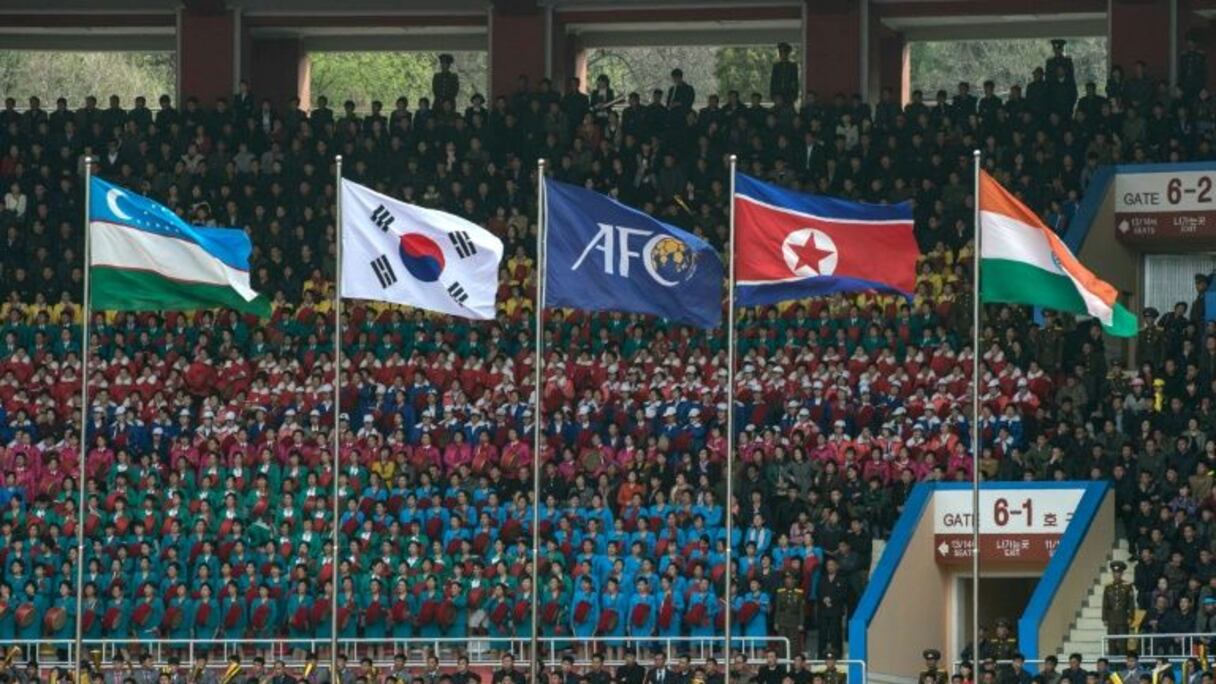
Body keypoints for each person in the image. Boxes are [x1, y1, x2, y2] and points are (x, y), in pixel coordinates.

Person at [1103, 561, 1135, 655]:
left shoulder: (1127, 586)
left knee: (1122, 642)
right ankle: (1113, 663)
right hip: (1111, 617)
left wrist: (1130, 616)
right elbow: (1105, 603)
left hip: (1123, 616)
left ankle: (1122, 663)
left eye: (1118, 573)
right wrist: (1104, 617)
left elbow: (1131, 603)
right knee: (1111, 641)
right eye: (1114, 573)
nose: (1116, 575)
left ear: (1122, 573)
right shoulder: (1108, 587)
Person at [773, 572, 806, 656]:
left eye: (790, 578)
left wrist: (801, 623)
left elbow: (801, 610)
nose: (788, 580)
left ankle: (791, 663)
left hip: (794, 621)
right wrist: (776, 622)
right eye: (787, 578)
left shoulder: (799, 593)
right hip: (782, 621)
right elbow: (777, 609)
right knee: (782, 643)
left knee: (793, 644)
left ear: (794, 580)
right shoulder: (780, 592)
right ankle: (783, 663)